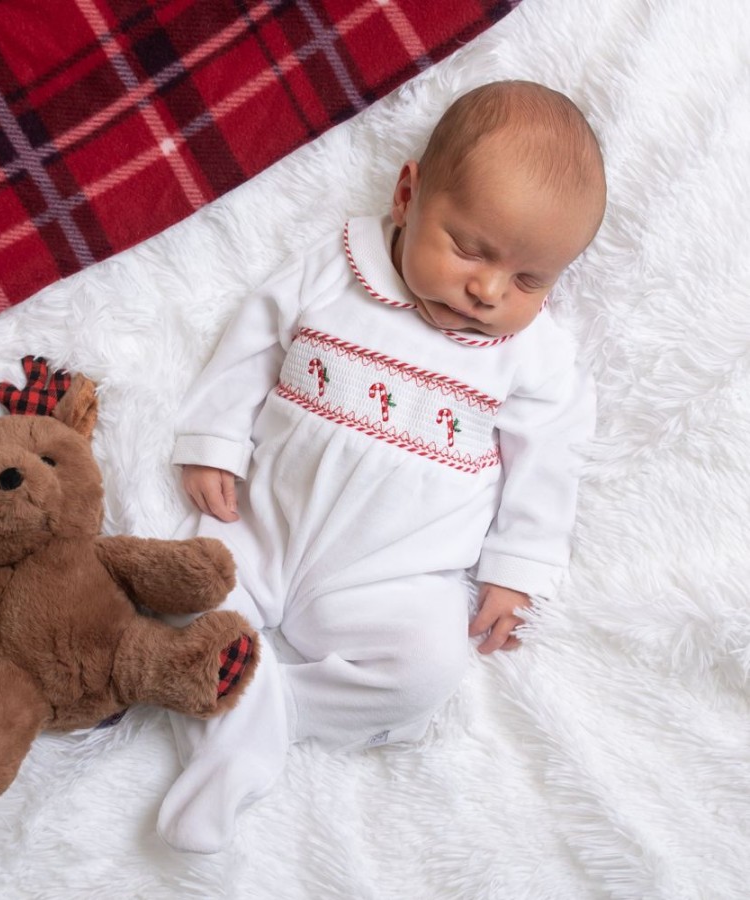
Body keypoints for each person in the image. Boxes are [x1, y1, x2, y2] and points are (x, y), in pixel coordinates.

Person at [157, 80, 606, 853]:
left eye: (530, 280)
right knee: (176, 592)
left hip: (391, 578)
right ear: (408, 193)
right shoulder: (336, 267)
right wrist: (215, 439)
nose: (488, 290)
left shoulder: (534, 355)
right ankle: (242, 707)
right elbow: (254, 338)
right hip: (262, 528)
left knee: (428, 670)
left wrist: (517, 568)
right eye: (469, 247)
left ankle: (282, 708)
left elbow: (549, 459)